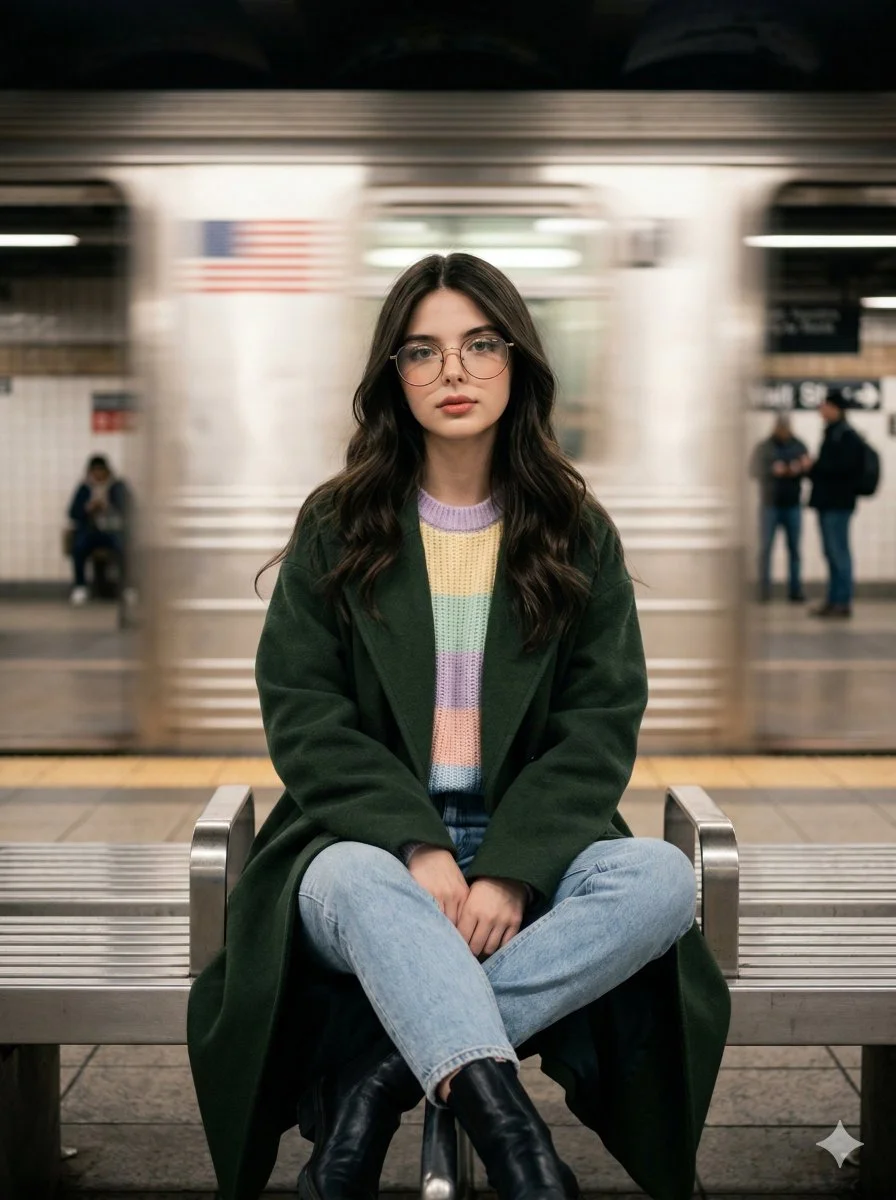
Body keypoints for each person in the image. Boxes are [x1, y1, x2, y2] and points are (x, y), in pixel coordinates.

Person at [187, 253, 731, 1200]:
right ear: (392, 375)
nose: (453, 371)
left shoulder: (573, 529)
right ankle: (519, 1146)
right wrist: (417, 844)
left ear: (517, 363)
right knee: (351, 880)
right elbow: (306, 714)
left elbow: (600, 722)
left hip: (533, 846)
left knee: (658, 877)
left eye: (481, 345)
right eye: (422, 351)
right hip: (366, 849)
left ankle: (381, 1078)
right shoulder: (340, 524)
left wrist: (513, 868)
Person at [806, 391, 865, 617]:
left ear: (835, 408)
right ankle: (834, 600)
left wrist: (814, 467)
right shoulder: (834, 433)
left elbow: (843, 469)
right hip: (829, 502)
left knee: (839, 552)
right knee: (831, 553)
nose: (821, 410)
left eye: (825, 406)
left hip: (837, 504)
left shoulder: (845, 436)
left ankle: (842, 601)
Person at [750, 415, 809, 602]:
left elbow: (808, 468)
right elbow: (753, 470)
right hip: (770, 505)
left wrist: (798, 469)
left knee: (794, 550)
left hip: (792, 504)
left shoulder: (799, 446)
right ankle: (764, 590)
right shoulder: (764, 447)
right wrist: (772, 470)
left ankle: (795, 590)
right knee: (765, 549)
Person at [66, 454, 131, 605]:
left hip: (113, 530)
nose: (98, 474)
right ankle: (80, 587)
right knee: (79, 546)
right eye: (95, 471)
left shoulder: (117, 486)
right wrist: (88, 509)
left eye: (101, 470)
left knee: (123, 547)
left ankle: (127, 587)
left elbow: (129, 508)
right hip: (91, 531)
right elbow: (72, 513)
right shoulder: (84, 488)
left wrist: (110, 506)